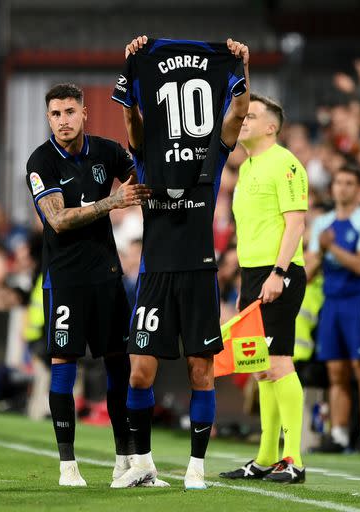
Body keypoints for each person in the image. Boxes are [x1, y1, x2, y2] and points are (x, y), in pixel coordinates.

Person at [112, 36, 250, 490]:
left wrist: (242, 68)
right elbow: (132, 117)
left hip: (199, 271)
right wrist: (131, 71)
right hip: (154, 273)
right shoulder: (145, 154)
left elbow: (237, 112)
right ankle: (143, 464)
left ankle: (196, 468)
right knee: (139, 370)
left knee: (200, 370)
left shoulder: (213, 150)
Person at [26, 83, 151, 487]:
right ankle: (68, 467)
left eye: (69, 112)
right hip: (65, 281)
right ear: (49, 119)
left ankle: (123, 459)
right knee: (64, 366)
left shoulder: (107, 151)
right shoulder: (41, 161)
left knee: (118, 364)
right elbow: (58, 220)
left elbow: (141, 175)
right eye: (55, 114)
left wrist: (145, 184)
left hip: (107, 278)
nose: (63, 120)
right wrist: (113, 202)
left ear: (85, 114)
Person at [220, 93, 308, 483]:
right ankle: (265, 457)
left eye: (252, 116)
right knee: (259, 368)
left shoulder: (285, 163)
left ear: (272, 126)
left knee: (278, 362)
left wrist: (278, 272)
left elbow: (296, 224)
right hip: (253, 275)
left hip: (279, 275)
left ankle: (295, 459)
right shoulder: (247, 168)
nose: (244, 121)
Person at [306, 165, 360, 453]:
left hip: (357, 301)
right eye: (338, 182)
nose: (343, 188)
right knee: (335, 371)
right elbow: (310, 271)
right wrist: (320, 252)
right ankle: (338, 435)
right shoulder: (322, 224)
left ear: (358, 188)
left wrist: (330, 250)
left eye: (349, 183)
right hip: (331, 302)